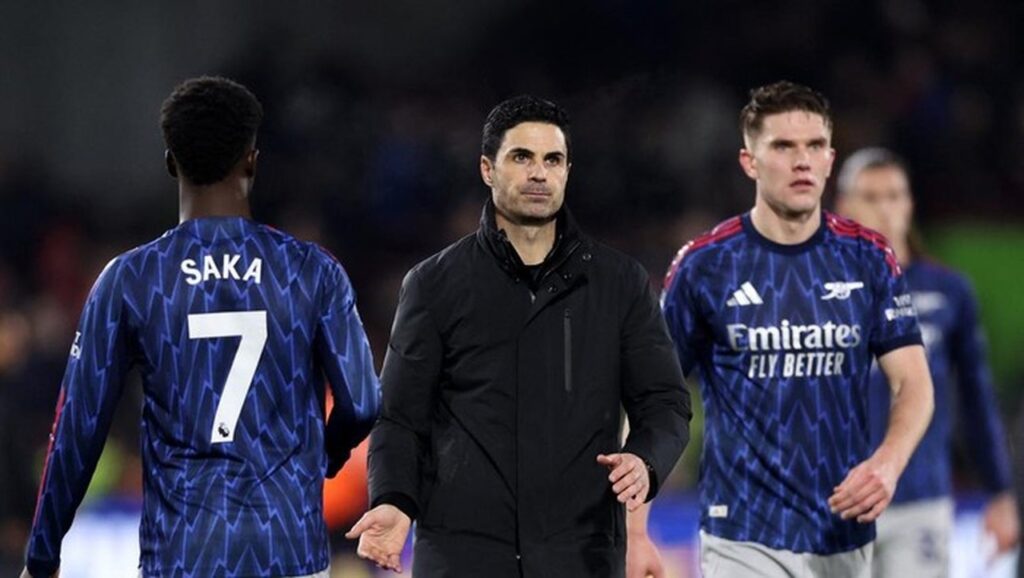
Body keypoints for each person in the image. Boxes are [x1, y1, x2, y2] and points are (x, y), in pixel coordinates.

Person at [22, 76, 381, 578]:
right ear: (252, 160)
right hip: (288, 546)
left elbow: (78, 427)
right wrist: (327, 455)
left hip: (184, 551)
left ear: (171, 162)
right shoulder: (311, 272)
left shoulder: (132, 279)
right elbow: (362, 402)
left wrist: (43, 556)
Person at [345, 95, 692, 577]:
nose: (539, 173)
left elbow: (665, 402)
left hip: (581, 556)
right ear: (487, 169)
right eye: (522, 157)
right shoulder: (434, 284)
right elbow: (400, 417)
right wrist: (393, 499)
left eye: (552, 160)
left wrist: (645, 460)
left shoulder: (619, 283)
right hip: (464, 558)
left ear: (567, 171)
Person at [660, 81, 935, 577]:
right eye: (783, 146)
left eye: (814, 146)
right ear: (750, 162)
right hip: (741, 533)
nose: (802, 161)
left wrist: (888, 463)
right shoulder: (705, 266)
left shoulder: (869, 257)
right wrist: (633, 527)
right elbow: (649, 394)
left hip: (843, 530)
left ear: (830, 159)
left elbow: (913, 382)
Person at [835, 147, 1018, 576]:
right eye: (870, 197)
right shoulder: (819, 292)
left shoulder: (948, 292)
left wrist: (1000, 491)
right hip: (835, 504)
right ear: (844, 207)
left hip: (919, 502)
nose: (884, 209)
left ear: (909, 204)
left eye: (894, 196)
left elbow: (976, 398)